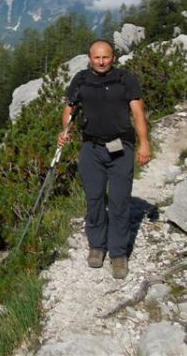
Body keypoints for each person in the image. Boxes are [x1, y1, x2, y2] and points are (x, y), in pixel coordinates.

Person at [57, 39, 151, 279]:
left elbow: (138, 112)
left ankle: (118, 254)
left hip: (120, 146)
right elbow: (70, 108)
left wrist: (144, 143)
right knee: (95, 198)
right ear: (90, 58)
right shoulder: (81, 80)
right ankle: (97, 246)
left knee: (119, 200)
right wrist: (65, 131)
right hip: (91, 147)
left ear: (114, 57)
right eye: (97, 57)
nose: (101, 61)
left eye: (105, 57)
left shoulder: (125, 80)